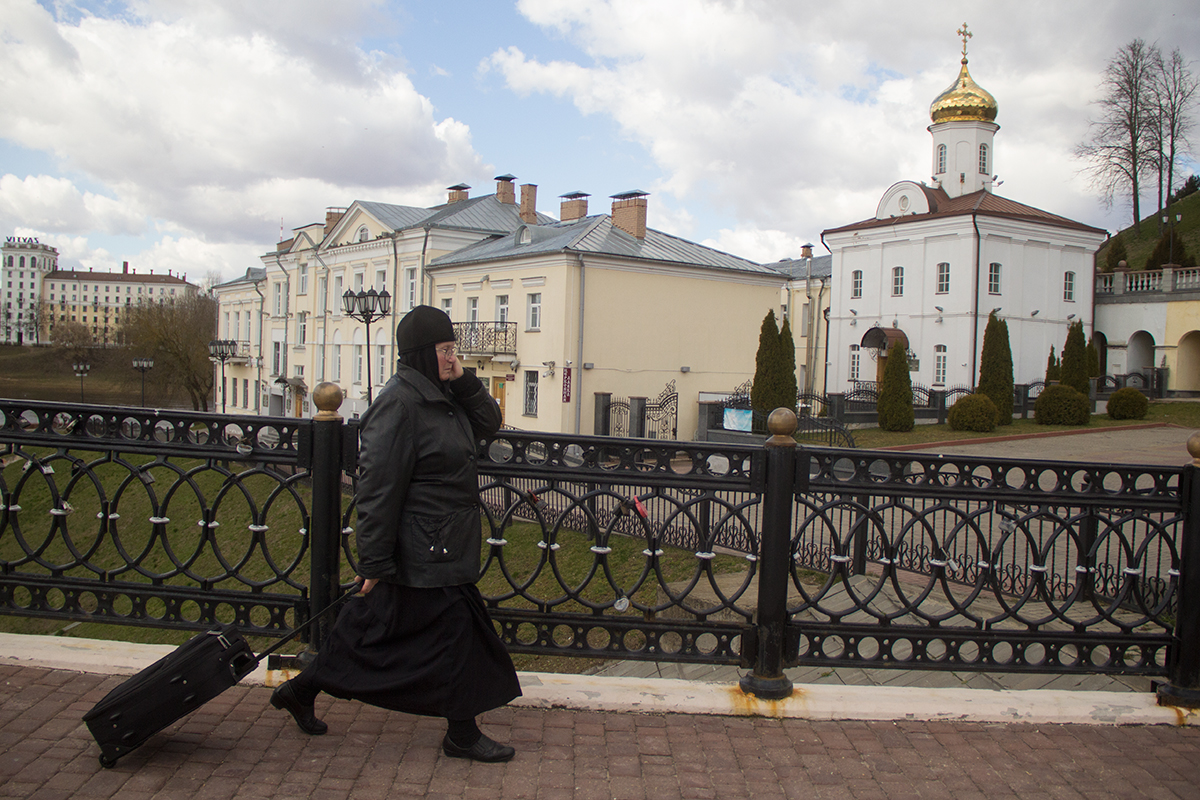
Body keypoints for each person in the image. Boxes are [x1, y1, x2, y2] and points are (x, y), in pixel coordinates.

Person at [271, 305, 520, 762]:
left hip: (441, 545)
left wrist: (462, 377)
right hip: (422, 549)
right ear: (424, 354)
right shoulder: (399, 404)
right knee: (456, 635)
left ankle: (302, 689)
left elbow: (488, 422)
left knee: (371, 633)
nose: (452, 358)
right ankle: (461, 734)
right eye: (445, 351)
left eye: (453, 350)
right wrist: (375, 563)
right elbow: (377, 490)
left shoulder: (441, 393)